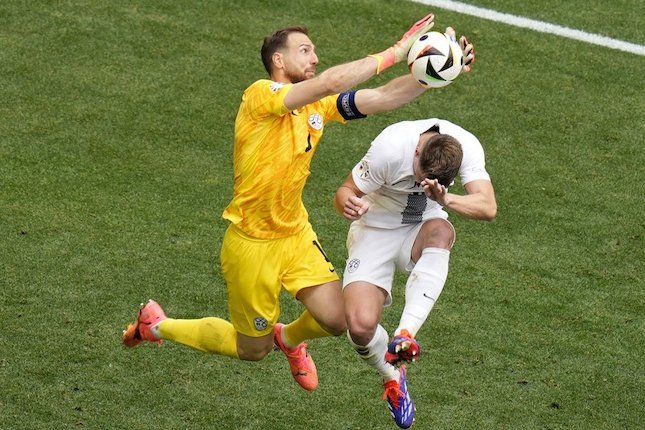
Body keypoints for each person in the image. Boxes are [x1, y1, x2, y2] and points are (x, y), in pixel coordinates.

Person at [122, 13, 474, 399]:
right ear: (278, 60)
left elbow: (386, 97)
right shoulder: (260, 96)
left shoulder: (316, 107)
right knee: (251, 350)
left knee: (337, 319)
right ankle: (156, 324)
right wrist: (395, 52)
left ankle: (290, 340)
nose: (315, 58)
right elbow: (328, 81)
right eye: (305, 51)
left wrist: (440, 71)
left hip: (294, 233)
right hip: (252, 245)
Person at [333, 118, 496, 428]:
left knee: (441, 232)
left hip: (421, 227)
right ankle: (393, 378)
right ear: (418, 150)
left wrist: (446, 199)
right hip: (374, 229)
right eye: (420, 176)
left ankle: (404, 335)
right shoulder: (391, 146)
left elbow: (488, 208)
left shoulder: (467, 145)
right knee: (359, 325)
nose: (421, 183)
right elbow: (343, 191)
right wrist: (349, 205)